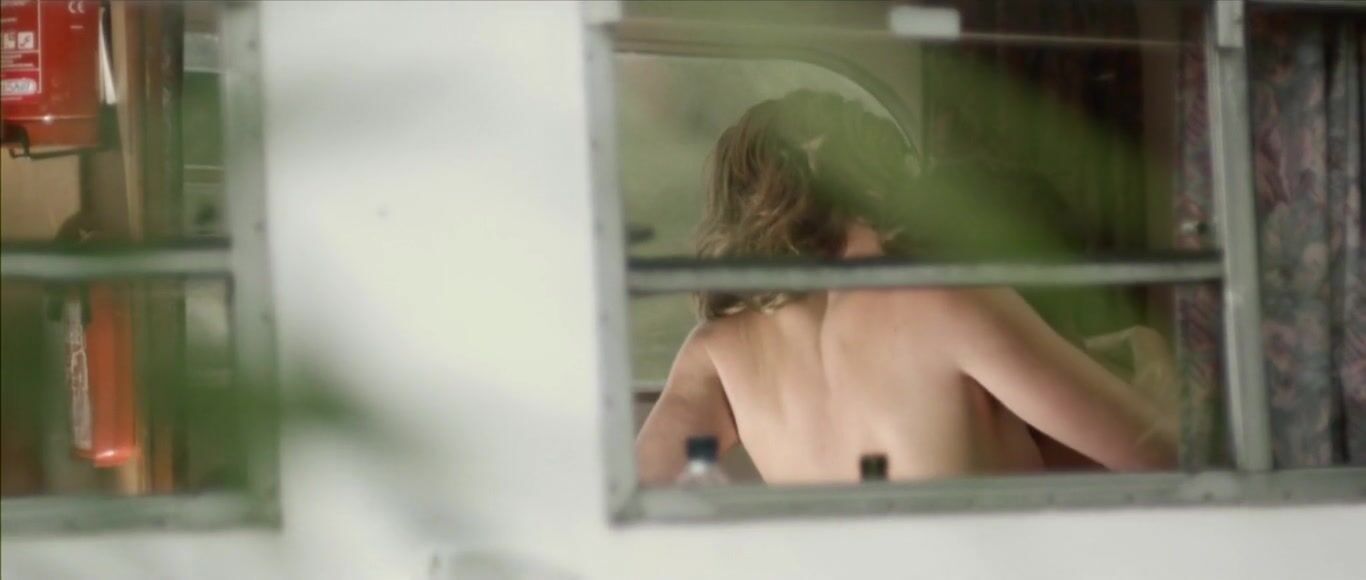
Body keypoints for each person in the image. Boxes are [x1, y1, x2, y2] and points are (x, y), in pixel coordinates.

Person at [635, 91, 1178, 485]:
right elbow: (1161, 456)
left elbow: (633, 491)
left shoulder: (717, 354)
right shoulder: (943, 299)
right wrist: (1156, 365)